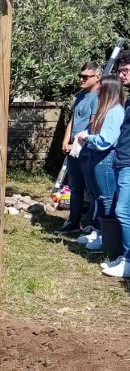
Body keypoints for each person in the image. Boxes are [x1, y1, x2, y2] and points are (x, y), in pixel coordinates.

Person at [75, 75, 126, 252]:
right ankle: (99, 231)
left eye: (100, 87)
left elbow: (107, 140)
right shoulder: (106, 110)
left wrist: (87, 137)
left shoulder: (114, 111)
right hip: (98, 158)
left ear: (108, 90)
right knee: (98, 197)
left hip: (106, 159)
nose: (97, 90)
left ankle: (108, 237)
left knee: (107, 199)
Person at [56, 62, 100, 235]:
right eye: (80, 76)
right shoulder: (81, 95)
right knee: (75, 187)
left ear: (97, 77)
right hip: (73, 147)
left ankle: (91, 224)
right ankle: (73, 221)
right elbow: (73, 119)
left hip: (86, 148)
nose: (81, 79)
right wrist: (66, 140)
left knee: (91, 188)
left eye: (86, 77)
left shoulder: (98, 96)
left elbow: (93, 122)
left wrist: (77, 142)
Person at [101, 52, 130, 278]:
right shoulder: (128, 101)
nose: (121, 75)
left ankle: (128, 260)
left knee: (122, 210)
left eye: (126, 71)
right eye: (120, 71)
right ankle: (125, 255)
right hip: (122, 160)